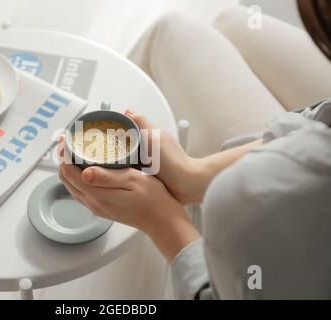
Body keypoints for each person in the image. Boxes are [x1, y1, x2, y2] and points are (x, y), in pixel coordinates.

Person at [58, 4, 331, 299]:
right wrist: (196, 175)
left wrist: (162, 222)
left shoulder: (248, 203)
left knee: (166, 36)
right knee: (228, 22)